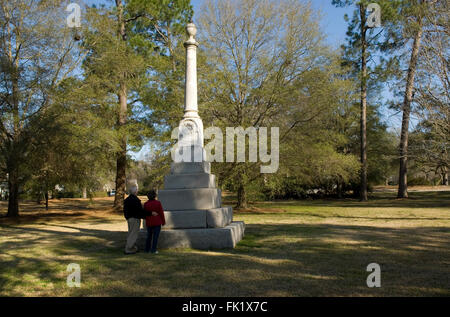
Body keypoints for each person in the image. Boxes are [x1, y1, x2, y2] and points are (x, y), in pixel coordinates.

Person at [123, 185, 145, 254]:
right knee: (133, 234)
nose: (137, 191)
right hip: (135, 219)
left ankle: (132, 248)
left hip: (129, 219)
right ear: (135, 191)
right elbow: (139, 210)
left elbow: (125, 210)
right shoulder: (136, 200)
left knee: (131, 233)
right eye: (137, 190)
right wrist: (146, 216)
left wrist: (127, 217)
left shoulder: (127, 200)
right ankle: (128, 249)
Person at [144, 189, 166, 254]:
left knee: (149, 236)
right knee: (155, 237)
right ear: (155, 196)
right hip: (157, 222)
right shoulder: (158, 203)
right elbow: (161, 213)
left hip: (149, 222)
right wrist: (163, 222)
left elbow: (145, 214)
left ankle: (147, 249)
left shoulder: (146, 204)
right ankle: (153, 250)